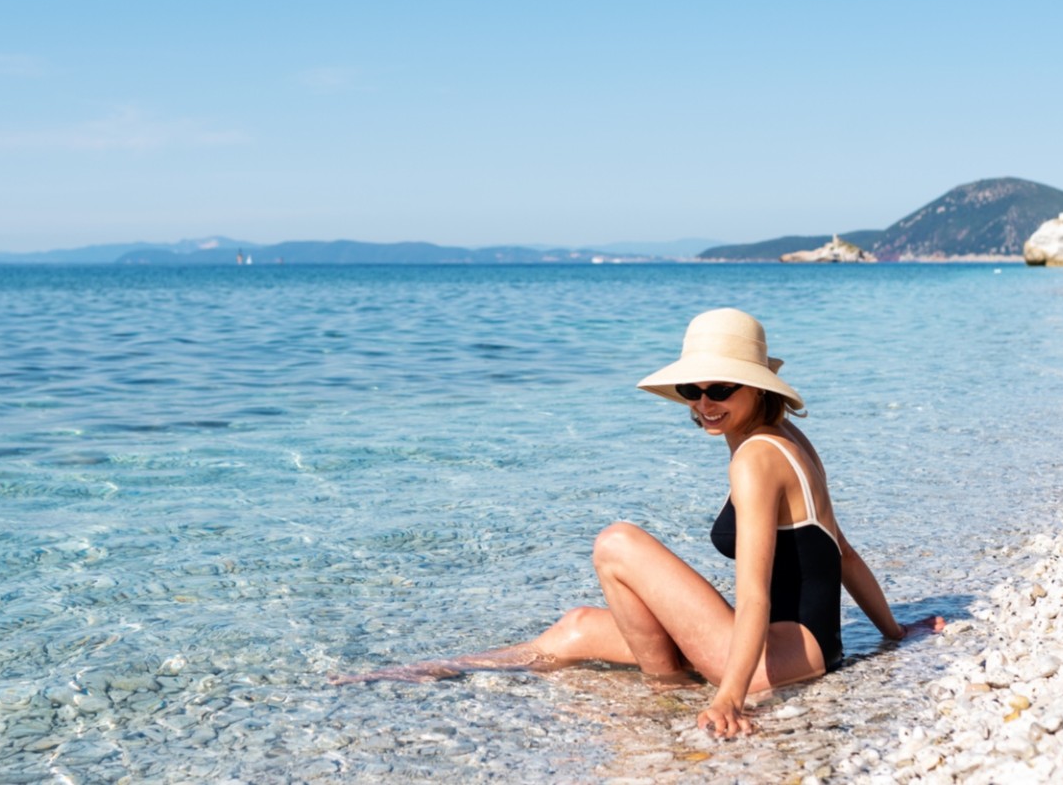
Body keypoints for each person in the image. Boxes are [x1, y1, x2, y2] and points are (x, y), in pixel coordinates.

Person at [336, 308, 942, 737]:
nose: (704, 402)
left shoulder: (756, 460)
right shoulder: (784, 438)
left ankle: (667, 694)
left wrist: (730, 697)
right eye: (692, 389)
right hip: (803, 649)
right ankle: (438, 669)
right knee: (575, 629)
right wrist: (892, 632)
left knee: (616, 543)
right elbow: (843, 551)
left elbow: (754, 591)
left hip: (767, 662)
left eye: (721, 388)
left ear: (756, 388)